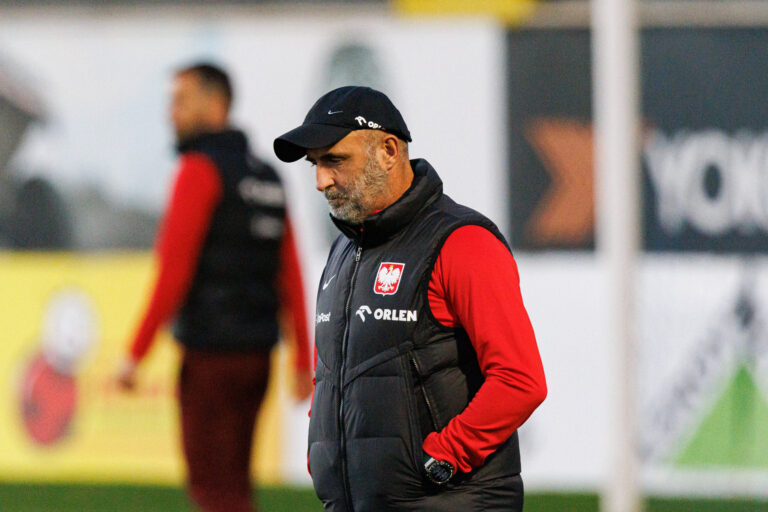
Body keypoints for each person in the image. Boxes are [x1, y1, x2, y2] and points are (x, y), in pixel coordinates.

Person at [273, 86, 547, 512]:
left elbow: (520, 380)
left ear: (388, 151)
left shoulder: (462, 241)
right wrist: (324, 454)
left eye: (334, 160)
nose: (320, 180)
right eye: (315, 164)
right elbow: (331, 374)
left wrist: (446, 457)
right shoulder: (343, 251)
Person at [117, 63, 313, 512]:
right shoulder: (267, 176)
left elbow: (173, 273)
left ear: (216, 104)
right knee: (236, 487)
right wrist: (303, 355)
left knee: (212, 490)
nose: (172, 114)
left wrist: (135, 354)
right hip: (256, 358)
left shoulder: (198, 170)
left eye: (181, 101)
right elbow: (290, 273)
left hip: (210, 357)